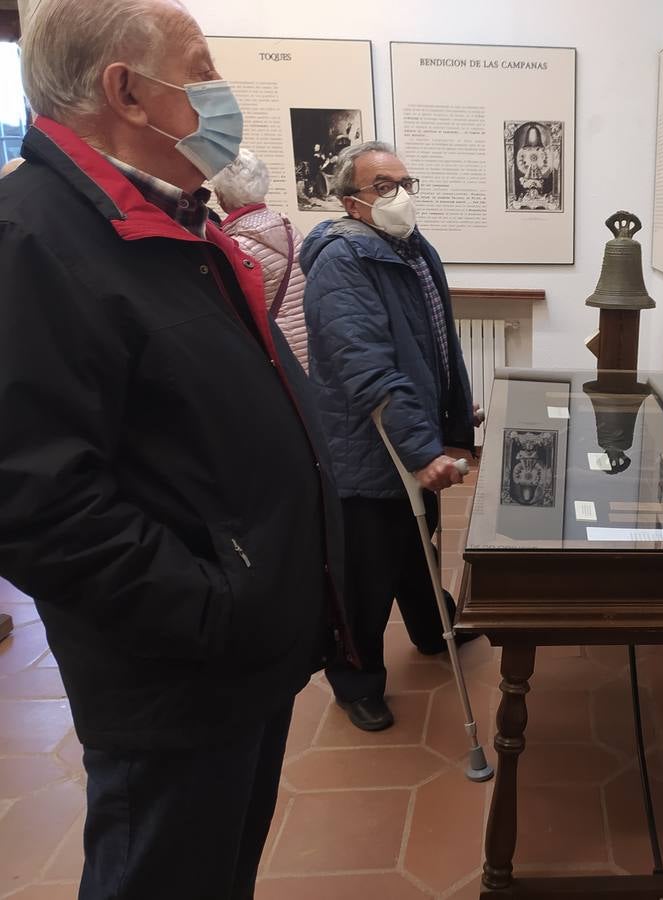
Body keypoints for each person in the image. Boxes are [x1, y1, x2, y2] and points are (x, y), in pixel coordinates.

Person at [0, 1, 350, 897]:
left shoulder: (171, 221)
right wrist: (211, 610)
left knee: (217, 871)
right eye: (199, 68)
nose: (219, 92)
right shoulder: (32, 236)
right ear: (127, 91)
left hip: (236, 656)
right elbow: (35, 501)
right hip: (177, 673)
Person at [302, 141, 482, 733]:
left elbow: (433, 342)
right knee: (364, 572)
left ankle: (434, 628)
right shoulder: (342, 261)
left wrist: (453, 413)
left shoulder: (410, 248)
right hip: (368, 444)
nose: (399, 195)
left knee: (414, 540)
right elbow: (367, 367)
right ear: (352, 201)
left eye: (405, 181)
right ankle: (355, 680)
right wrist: (423, 449)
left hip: (409, 430)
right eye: (383, 186)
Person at [212, 149, 310, 370]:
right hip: (309, 342)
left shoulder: (237, 247)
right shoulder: (288, 227)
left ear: (221, 196)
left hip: (279, 351)